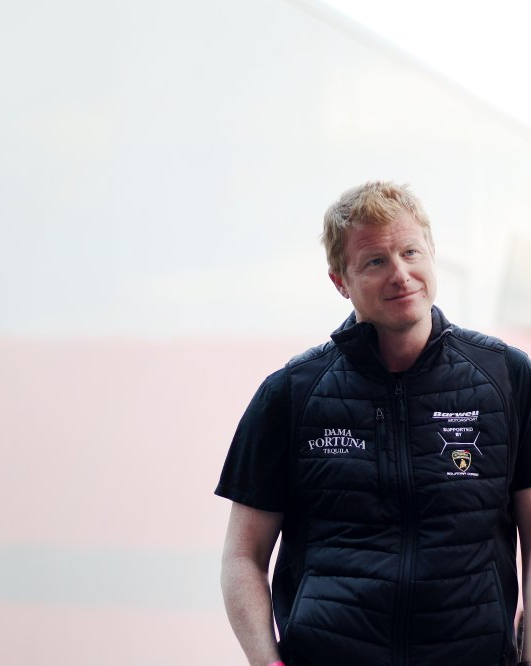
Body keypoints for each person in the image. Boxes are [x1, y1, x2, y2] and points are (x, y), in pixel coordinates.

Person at [215, 181, 531, 666]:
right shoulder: (291, 394)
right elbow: (243, 556)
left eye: (410, 252)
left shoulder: (507, 377)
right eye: (375, 261)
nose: (400, 275)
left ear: (432, 254)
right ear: (340, 281)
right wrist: (267, 662)